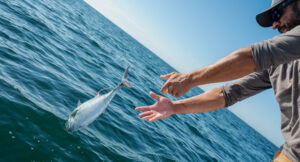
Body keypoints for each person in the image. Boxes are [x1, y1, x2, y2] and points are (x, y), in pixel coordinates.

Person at [135, 0, 300, 161]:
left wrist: (189, 79)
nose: (275, 25)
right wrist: (174, 107)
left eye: (277, 14)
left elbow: (252, 57)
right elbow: (227, 94)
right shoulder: (277, 63)